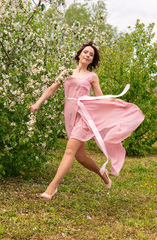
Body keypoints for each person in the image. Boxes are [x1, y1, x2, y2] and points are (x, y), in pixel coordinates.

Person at [31, 41, 144, 200]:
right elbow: (51, 89)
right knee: (80, 157)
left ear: (92, 60)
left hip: (84, 114)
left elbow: (99, 96)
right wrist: (38, 102)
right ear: (79, 54)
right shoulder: (66, 73)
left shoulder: (92, 76)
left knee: (69, 150)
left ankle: (51, 188)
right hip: (69, 115)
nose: (88, 56)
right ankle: (103, 174)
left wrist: (114, 101)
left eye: (91, 55)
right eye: (85, 52)